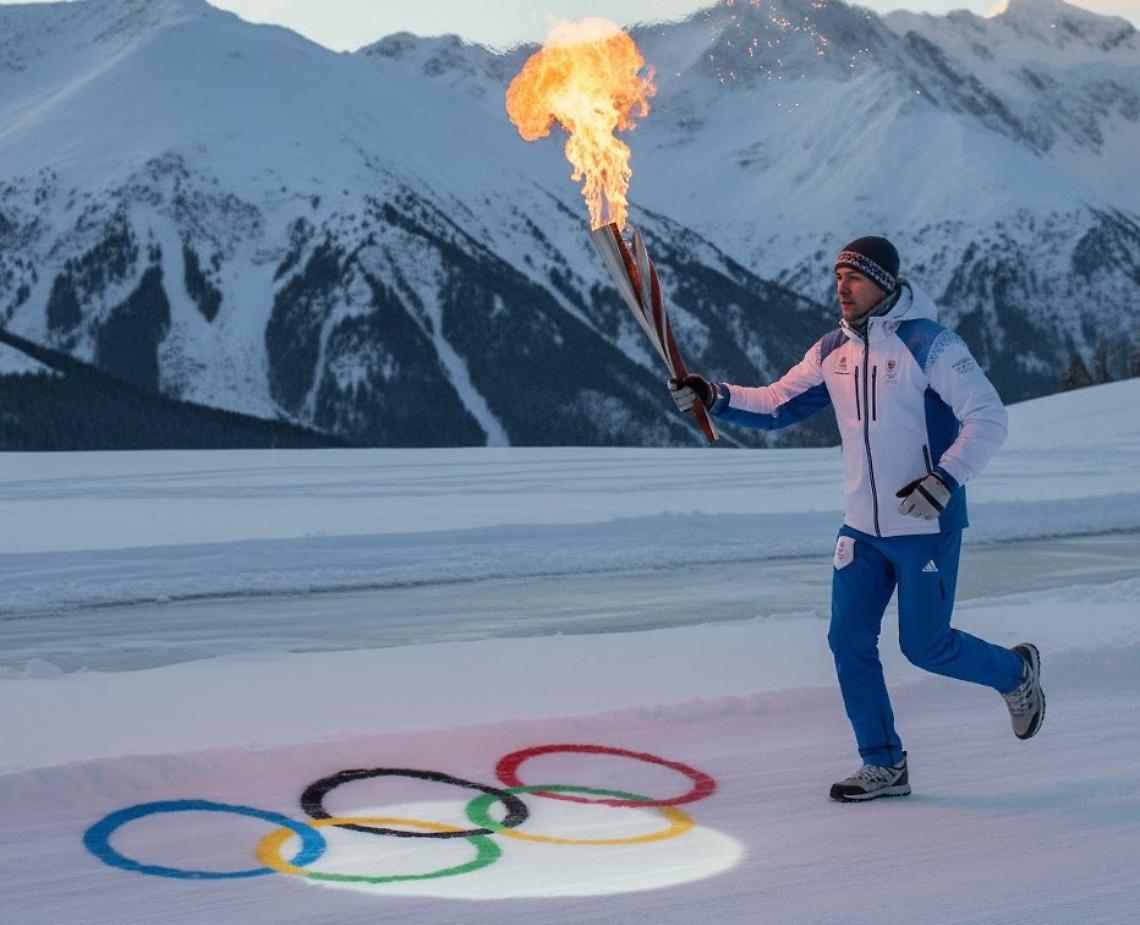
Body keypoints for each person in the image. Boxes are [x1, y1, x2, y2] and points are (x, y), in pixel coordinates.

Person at [669, 236, 1045, 802]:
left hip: (925, 524)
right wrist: (714, 394)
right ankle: (884, 763)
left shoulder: (930, 344)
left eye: (855, 277)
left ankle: (1016, 675)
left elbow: (988, 417)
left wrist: (944, 480)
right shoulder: (832, 351)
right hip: (862, 531)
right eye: (838, 276)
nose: (841, 288)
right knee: (847, 640)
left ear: (886, 285)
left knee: (926, 647)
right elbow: (776, 403)